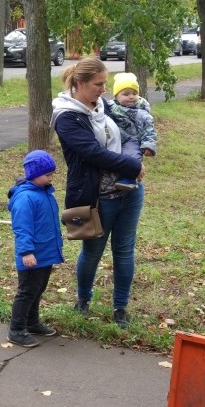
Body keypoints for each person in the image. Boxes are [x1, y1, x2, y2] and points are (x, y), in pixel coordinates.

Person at [51, 57, 144, 328]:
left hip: (129, 191)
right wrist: (132, 165)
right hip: (98, 198)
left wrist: (138, 150)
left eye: (104, 83)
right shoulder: (67, 117)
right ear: (80, 83)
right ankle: (83, 300)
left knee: (124, 251)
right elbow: (93, 153)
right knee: (92, 252)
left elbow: (127, 132)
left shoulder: (102, 106)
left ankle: (120, 308)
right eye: (98, 84)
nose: (104, 89)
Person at [5, 150, 64, 347]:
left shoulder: (44, 192)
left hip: (45, 253)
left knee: (38, 289)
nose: (51, 178)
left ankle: (31, 322)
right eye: (47, 174)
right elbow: (22, 228)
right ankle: (16, 330)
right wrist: (26, 252)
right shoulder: (25, 198)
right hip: (32, 255)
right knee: (27, 292)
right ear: (34, 174)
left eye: (51, 174)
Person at [107, 72, 157, 190]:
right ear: (116, 96)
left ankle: (129, 179)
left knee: (132, 155)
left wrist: (148, 145)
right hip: (114, 139)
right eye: (126, 94)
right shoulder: (110, 107)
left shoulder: (141, 112)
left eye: (135, 93)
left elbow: (149, 129)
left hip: (132, 139)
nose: (131, 97)